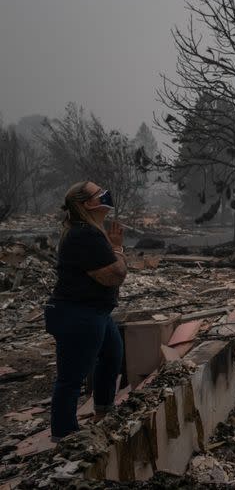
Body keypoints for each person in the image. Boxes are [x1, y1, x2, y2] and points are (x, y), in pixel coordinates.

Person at [45, 181, 127, 441]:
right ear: (86, 204)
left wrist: (113, 248)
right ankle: (64, 437)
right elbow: (114, 276)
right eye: (98, 192)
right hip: (77, 314)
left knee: (113, 355)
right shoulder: (84, 235)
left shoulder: (91, 231)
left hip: (94, 311)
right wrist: (118, 250)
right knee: (72, 377)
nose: (105, 194)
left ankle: (103, 412)